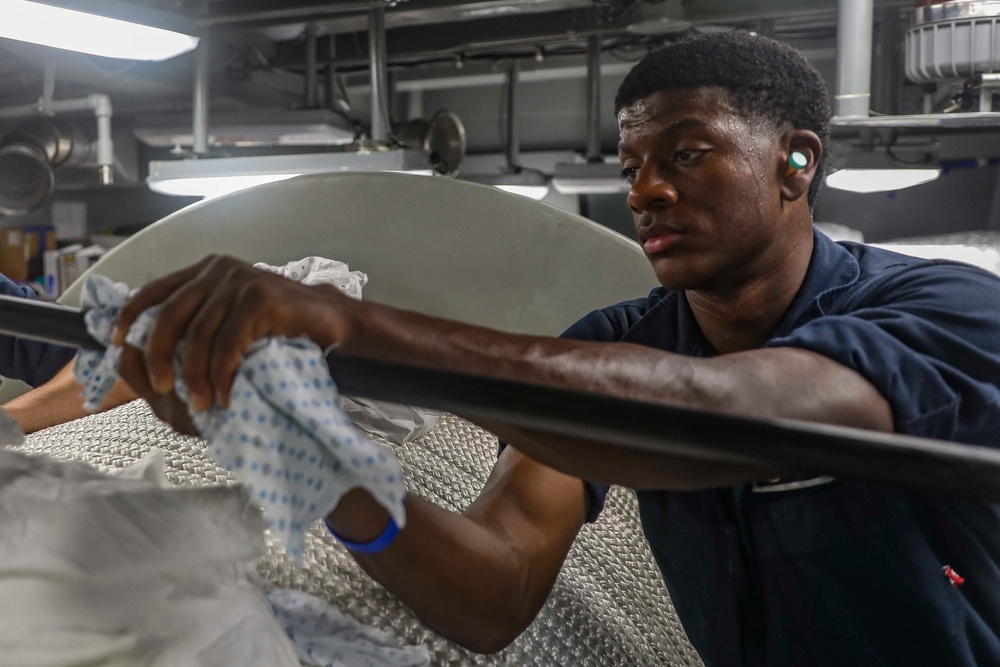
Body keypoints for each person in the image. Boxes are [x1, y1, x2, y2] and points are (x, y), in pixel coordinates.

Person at [111, 31, 1000, 667]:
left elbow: (742, 413)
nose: (646, 190)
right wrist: (321, 462)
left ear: (795, 164)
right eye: (632, 167)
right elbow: (493, 591)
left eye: (687, 155)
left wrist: (356, 323)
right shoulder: (618, 341)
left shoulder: (942, 309)